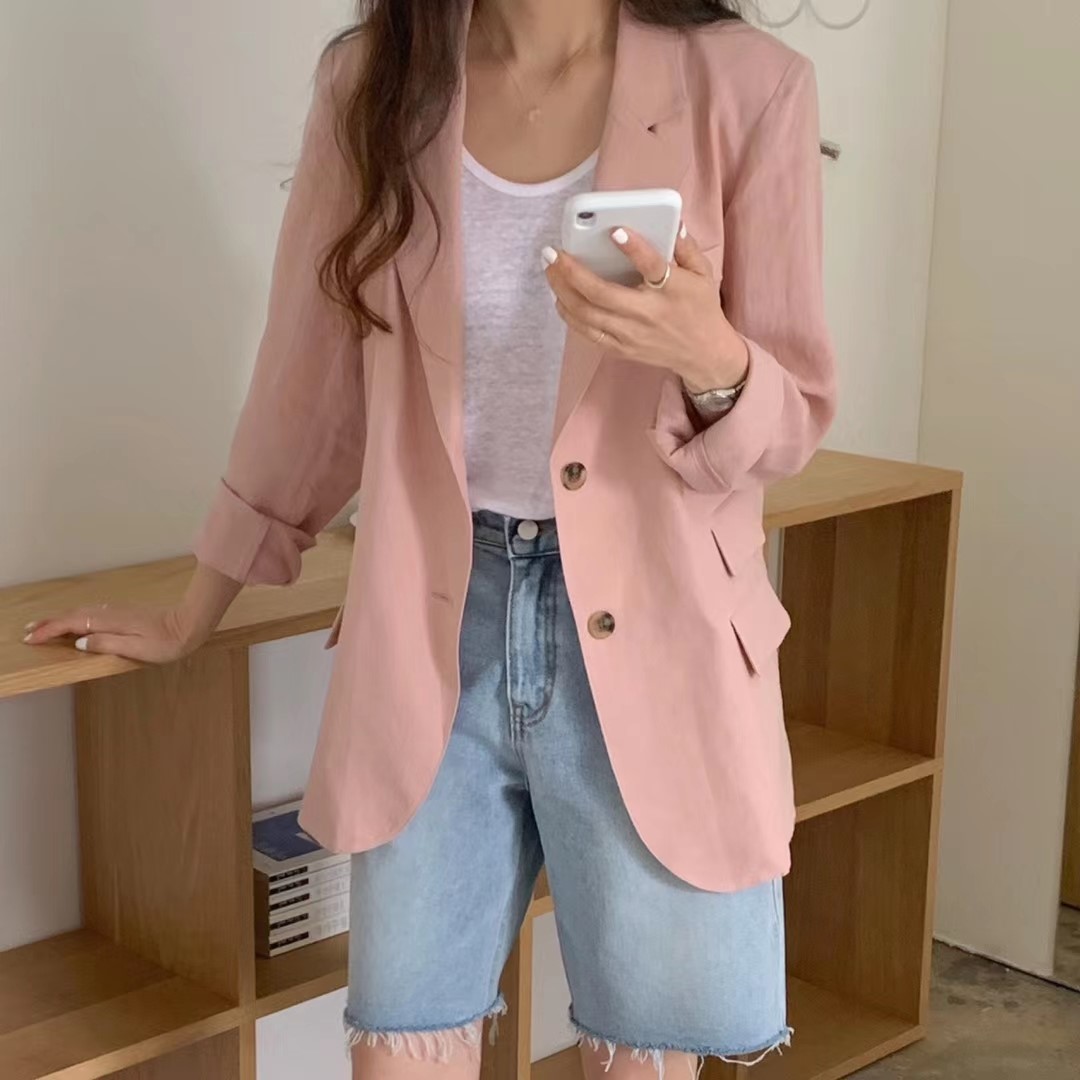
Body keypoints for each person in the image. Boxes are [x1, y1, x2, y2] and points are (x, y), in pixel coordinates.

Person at [25, 1, 835, 1076]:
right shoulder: (377, 82)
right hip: (428, 628)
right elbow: (307, 382)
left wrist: (711, 355)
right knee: (401, 1043)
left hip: (660, 636)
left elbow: (792, 422)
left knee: (643, 1057)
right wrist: (194, 608)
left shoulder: (748, 85)